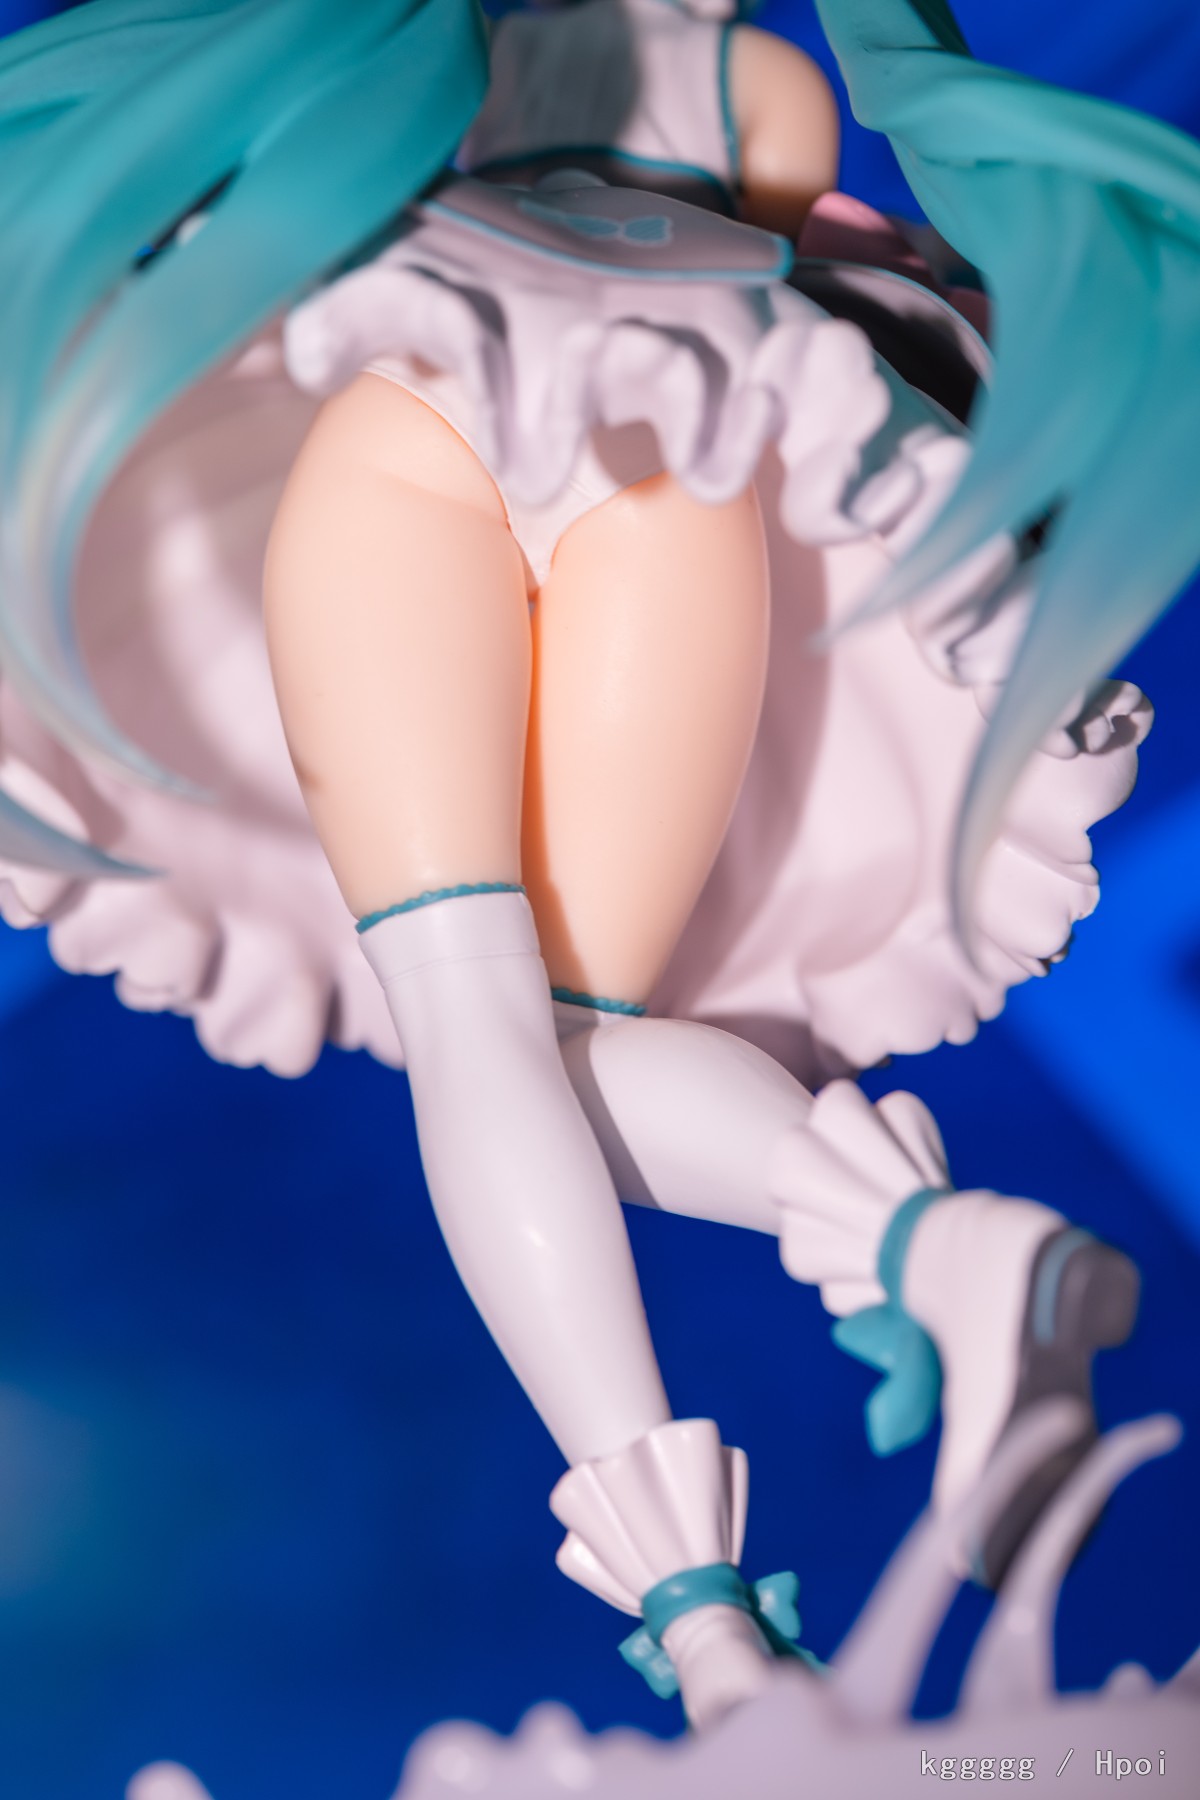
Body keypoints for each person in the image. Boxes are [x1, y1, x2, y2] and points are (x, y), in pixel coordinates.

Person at [0, 0, 1193, 1727]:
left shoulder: (448, 48)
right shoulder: (761, 83)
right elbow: (825, 299)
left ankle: (707, 1617)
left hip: (423, 426)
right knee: (565, 1048)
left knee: (484, 1031)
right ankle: (923, 1245)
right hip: (674, 468)